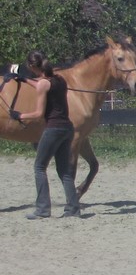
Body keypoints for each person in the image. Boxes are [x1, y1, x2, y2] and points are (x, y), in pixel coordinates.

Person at [10, 51, 81, 219]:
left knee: (39, 167)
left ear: (32, 66)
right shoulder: (60, 80)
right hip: (67, 128)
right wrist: (24, 79)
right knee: (64, 171)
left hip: (53, 129)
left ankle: (42, 209)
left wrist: (20, 115)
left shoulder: (43, 84)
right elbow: (41, 85)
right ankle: (73, 209)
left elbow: (38, 114)